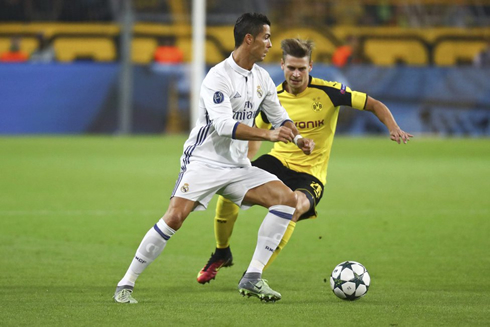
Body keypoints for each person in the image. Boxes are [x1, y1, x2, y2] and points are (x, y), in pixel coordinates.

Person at [113, 13, 314, 304]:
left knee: (287, 199)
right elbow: (224, 126)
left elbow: (281, 118)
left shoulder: (262, 78)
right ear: (250, 39)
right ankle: (126, 283)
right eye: (266, 37)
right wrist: (268, 135)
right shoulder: (218, 77)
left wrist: (296, 138)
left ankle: (253, 277)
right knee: (175, 218)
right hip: (204, 161)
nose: (270, 43)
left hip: (237, 166)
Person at [196, 38, 413, 284]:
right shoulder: (272, 97)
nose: (296, 74)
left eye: (301, 68)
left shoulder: (329, 92)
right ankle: (222, 251)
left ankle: (254, 272)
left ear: (310, 66)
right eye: (291, 68)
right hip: (277, 163)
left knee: (295, 206)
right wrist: (244, 164)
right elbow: (257, 136)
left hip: (311, 174)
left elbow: (372, 104)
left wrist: (393, 127)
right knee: (229, 188)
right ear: (282, 66)